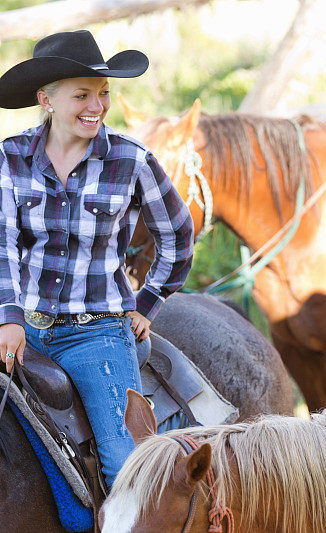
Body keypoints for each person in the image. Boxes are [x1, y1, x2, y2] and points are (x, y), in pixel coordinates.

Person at [0, 30, 194, 488]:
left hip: (96, 333)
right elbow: (1, 242)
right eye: (82, 94)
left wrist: (148, 303)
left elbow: (178, 236)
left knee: (125, 465)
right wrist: (8, 317)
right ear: (45, 99)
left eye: (103, 93)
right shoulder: (9, 158)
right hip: (21, 322)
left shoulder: (132, 160)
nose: (97, 106)